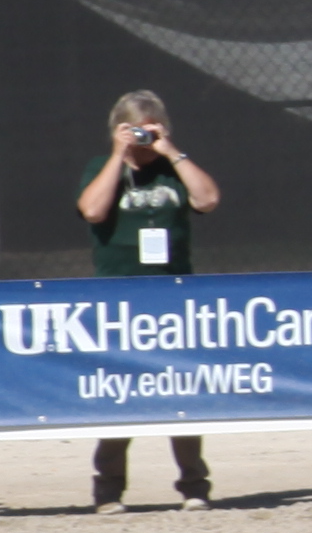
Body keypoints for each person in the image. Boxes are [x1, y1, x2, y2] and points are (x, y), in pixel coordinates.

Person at [76, 91, 222, 510]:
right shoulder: (100, 169)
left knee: (183, 396)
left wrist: (170, 151)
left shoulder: (171, 170)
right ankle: (108, 489)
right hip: (119, 300)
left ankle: (194, 487)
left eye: (150, 129)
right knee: (119, 396)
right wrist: (118, 155)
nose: (143, 138)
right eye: (135, 129)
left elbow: (207, 199)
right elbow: (92, 211)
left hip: (174, 299)